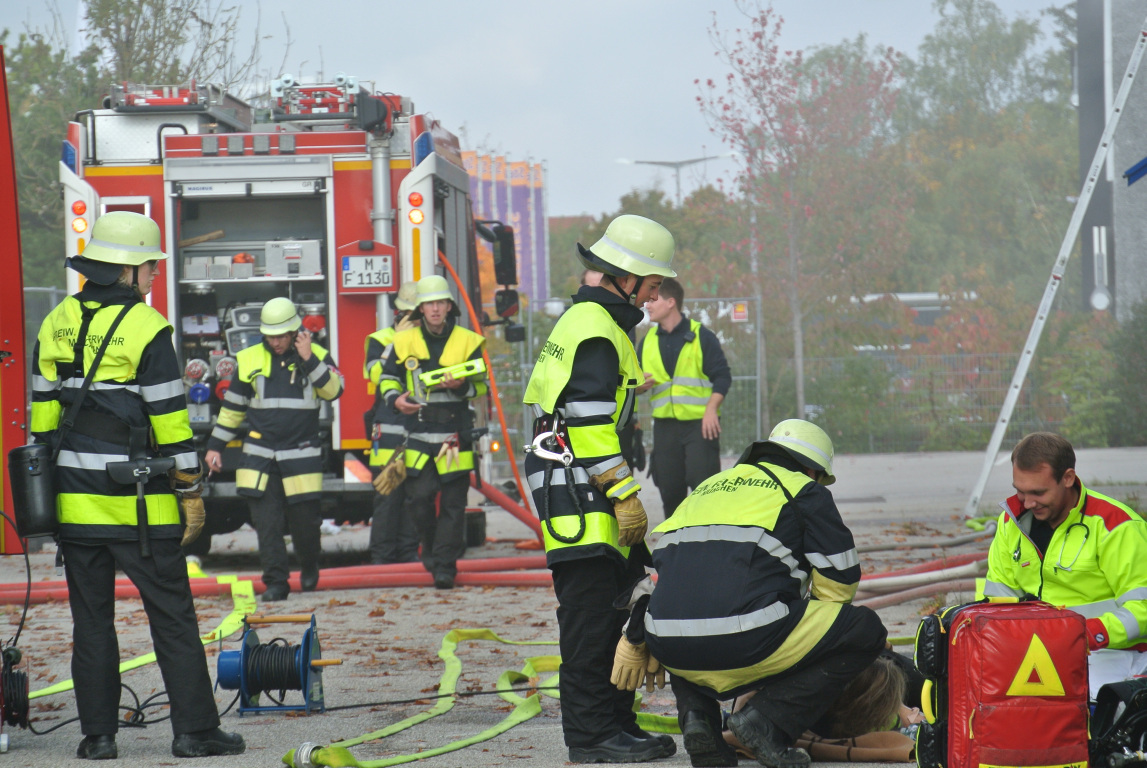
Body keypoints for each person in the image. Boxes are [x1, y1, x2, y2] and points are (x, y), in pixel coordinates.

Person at [30, 211, 244, 759]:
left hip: (75, 507)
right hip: (140, 506)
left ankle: (98, 737)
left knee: (91, 623)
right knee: (172, 617)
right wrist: (190, 486)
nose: (154, 274)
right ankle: (195, 731)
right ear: (125, 270)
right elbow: (170, 420)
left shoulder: (55, 321)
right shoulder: (148, 327)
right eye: (150, 265)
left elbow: (43, 422)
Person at [622, 420, 886, 768]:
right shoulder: (804, 490)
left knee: (692, 613)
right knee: (864, 629)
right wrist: (801, 646)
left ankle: (698, 721)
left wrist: (635, 634)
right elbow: (839, 584)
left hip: (665, 636)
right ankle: (766, 722)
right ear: (812, 470)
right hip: (748, 638)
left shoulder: (707, 488)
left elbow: (672, 574)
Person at [523, 214, 678, 764]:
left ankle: (617, 724)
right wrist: (623, 492)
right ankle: (592, 738)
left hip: (581, 489)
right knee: (590, 621)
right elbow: (588, 422)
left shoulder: (595, 322)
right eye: (653, 285)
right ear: (627, 278)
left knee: (619, 609)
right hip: (580, 493)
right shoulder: (595, 329)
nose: (655, 296)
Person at [983, 431, 1147, 700]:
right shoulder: (1010, 522)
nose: (1028, 503)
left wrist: (1084, 635)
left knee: (1080, 705)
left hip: (1111, 653)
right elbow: (997, 601)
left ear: (1068, 478)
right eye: (1020, 491)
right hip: (1033, 653)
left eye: (1038, 492)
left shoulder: (1117, 526)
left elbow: (1143, 609)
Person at [205, 297, 344, 602]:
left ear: (296, 332)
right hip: (260, 455)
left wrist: (309, 359)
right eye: (270, 336)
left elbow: (334, 391)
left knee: (305, 526)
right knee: (267, 524)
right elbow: (233, 409)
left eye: (282, 336)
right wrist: (215, 446)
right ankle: (276, 583)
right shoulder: (249, 358)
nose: (276, 342)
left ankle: (309, 564)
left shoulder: (318, 355)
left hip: (301, 455)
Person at [376, 275, 487, 590]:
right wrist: (394, 399)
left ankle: (445, 568)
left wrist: (462, 386)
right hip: (419, 432)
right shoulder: (404, 341)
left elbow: (482, 386)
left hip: (454, 433)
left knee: (453, 504)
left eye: (440, 303)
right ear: (420, 309)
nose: (435, 309)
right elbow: (387, 378)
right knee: (419, 500)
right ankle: (431, 548)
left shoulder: (468, 341)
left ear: (449, 306)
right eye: (429, 304)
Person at [636, 277, 730, 517]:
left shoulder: (702, 336)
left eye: (653, 300)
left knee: (704, 489)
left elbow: (722, 377)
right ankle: (675, 538)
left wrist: (711, 409)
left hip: (700, 426)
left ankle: (706, 536)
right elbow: (634, 385)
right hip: (665, 428)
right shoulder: (647, 342)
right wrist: (638, 387)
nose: (647, 304)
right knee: (669, 491)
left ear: (671, 302)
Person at [364, 281, 420, 564]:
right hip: (388, 428)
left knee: (415, 495)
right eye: (408, 313)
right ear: (398, 313)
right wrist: (397, 342)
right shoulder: (379, 339)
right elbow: (376, 375)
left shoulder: (427, 340)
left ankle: (408, 554)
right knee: (388, 495)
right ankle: (382, 558)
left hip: (419, 427)